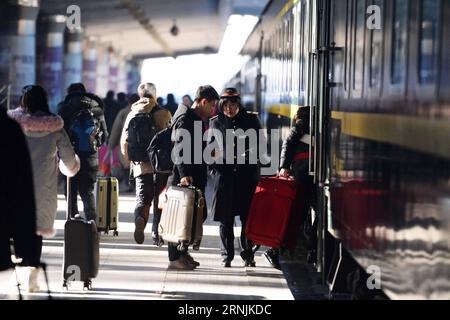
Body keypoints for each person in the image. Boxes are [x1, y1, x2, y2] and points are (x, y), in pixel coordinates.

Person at [8, 85, 80, 291]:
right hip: (43, 189)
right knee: (36, 231)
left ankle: (19, 272)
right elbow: (69, 161)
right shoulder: (55, 127)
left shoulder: (11, 124)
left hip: (14, 187)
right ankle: (31, 273)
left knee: (15, 230)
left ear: (24, 101)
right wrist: (70, 168)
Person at [166, 85, 219, 270]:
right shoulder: (187, 119)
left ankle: (183, 252)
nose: (213, 110)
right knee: (181, 217)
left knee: (194, 217)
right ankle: (175, 257)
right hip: (185, 177)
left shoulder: (197, 119)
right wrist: (184, 174)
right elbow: (178, 149)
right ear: (203, 102)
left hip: (196, 176)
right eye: (212, 105)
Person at [208, 88, 262, 267]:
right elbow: (209, 151)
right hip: (224, 178)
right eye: (225, 105)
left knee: (247, 219)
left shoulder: (251, 120)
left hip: (246, 178)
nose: (229, 109)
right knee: (225, 220)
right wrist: (216, 165)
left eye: (232, 104)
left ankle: (248, 254)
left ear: (238, 104)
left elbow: (260, 147)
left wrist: (246, 156)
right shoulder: (216, 123)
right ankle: (226, 255)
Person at [120, 83, 171, 245]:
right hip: (161, 165)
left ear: (140, 95)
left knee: (143, 199)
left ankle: (140, 218)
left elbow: (124, 142)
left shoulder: (132, 113)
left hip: (140, 164)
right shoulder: (164, 113)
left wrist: (129, 162)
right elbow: (172, 138)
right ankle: (157, 234)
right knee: (159, 200)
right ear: (155, 96)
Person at [265, 106, 314, 269]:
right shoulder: (304, 125)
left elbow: (288, 145)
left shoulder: (301, 124)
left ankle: (279, 248)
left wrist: (285, 166)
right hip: (304, 176)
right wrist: (284, 166)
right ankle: (276, 249)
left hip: (305, 175)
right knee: (295, 214)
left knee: (294, 214)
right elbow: (288, 144)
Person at [0, 106, 41, 291]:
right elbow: (21, 188)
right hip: (42, 189)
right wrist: (24, 243)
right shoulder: (9, 129)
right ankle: (31, 268)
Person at [58, 83, 108, 222]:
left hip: (70, 156)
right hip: (90, 156)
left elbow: (59, 134)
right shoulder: (97, 109)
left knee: (70, 190)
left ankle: (73, 220)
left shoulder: (65, 108)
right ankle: (92, 222)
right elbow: (104, 136)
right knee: (87, 191)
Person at [108, 93, 140, 189]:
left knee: (126, 164)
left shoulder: (123, 112)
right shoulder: (144, 111)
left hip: (126, 142)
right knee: (137, 164)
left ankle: (129, 183)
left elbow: (116, 129)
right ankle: (135, 183)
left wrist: (111, 145)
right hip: (140, 143)